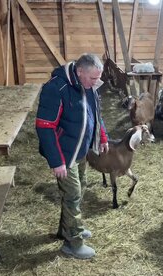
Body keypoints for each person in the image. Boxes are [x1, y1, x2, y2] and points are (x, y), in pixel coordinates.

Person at [36, 53, 109, 259]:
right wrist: (57, 161)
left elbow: (96, 114)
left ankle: (66, 229)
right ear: (79, 72)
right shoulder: (56, 89)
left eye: (98, 78)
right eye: (93, 78)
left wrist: (102, 137)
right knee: (73, 194)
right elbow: (45, 127)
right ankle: (73, 243)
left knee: (80, 188)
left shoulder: (88, 86)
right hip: (65, 154)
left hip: (80, 149)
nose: (96, 82)